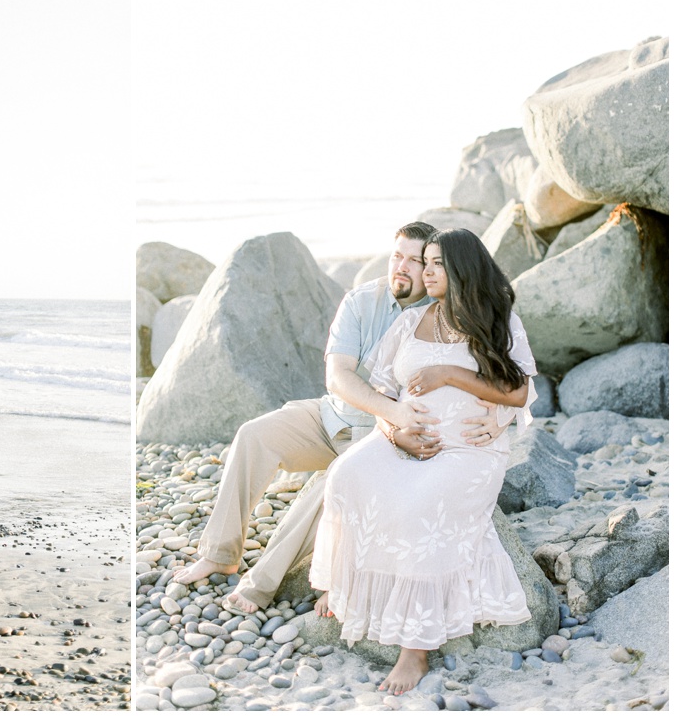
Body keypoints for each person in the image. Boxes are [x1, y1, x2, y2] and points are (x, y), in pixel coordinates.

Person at [172, 221, 512, 615]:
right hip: (332, 416)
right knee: (254, 435)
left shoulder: (446, 312)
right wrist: (392, 411)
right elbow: (337, 376)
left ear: (439, 268)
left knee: (330, 485)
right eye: (396, 256)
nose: (402, 267)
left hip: (385, 438)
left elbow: (501, 372)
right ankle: (219, 552)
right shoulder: (362, 300)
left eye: (415, 261)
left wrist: (502, 417)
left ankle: (260, 585)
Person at [308, 228, 537, 695]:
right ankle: (347, 584)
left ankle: (415, 650)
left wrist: (452, 375)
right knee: (345, 476)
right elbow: (384, 394)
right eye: (423, 262)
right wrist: (394, 430)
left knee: (418, 507)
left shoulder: (497, 319)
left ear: (461, 270)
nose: (424, 272)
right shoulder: (410, 322)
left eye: (435, 264)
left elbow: (518, 390)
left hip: (468, 448)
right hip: (401, 438)